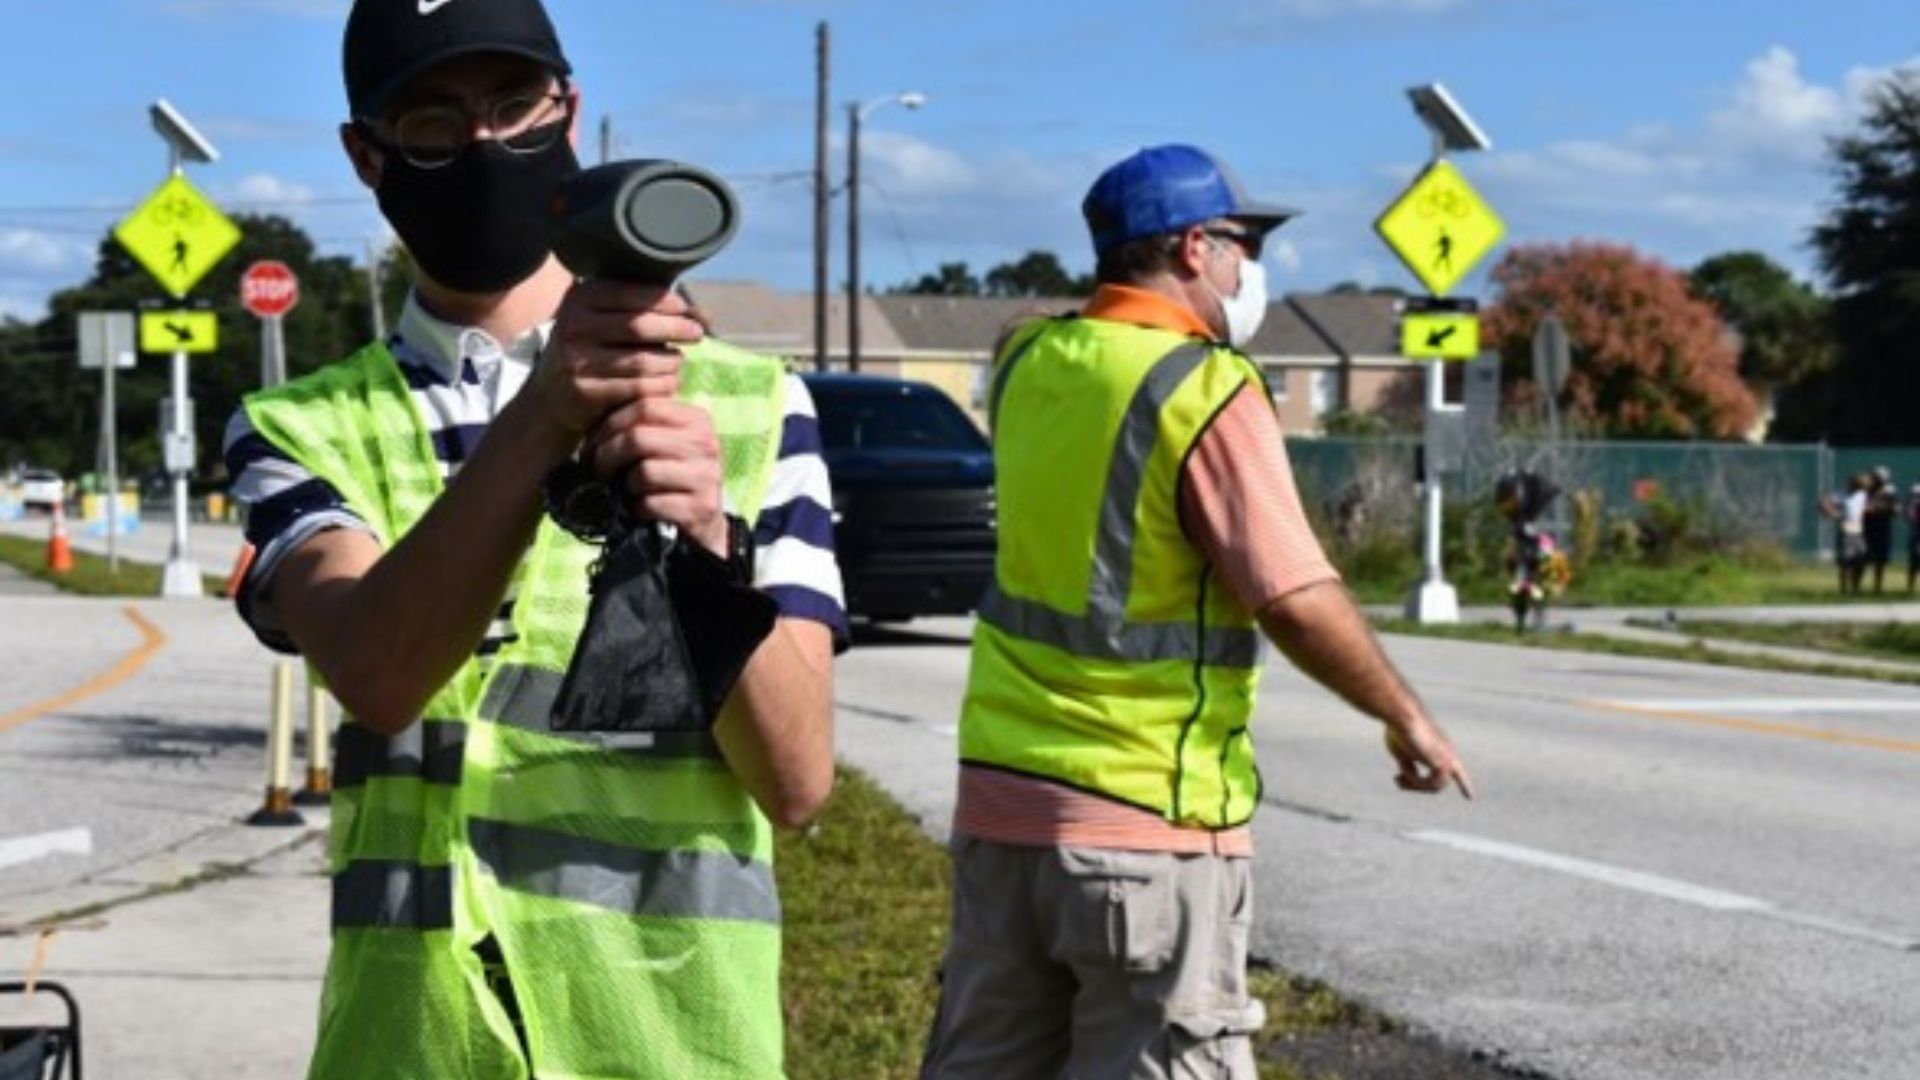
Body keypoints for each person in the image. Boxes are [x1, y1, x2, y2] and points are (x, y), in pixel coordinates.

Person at [220, 2, 843, 1077]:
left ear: (570, 111)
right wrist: (544, 418)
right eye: (431, 124)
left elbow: (796, 781)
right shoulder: (297, 425)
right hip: (413, 1042)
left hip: (672, 1040)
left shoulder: (753, 403)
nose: (482, 146)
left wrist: (703, 545)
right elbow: (379, 671)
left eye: (515, 106)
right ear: (366, 156)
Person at [919, 145, 1473, 1080]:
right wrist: (1402, 711)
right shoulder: (1206, 387)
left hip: (1002, 814)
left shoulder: (1025, 363)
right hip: (1145, 822)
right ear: (1189, 248)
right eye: (1239, 244)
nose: (1248, 269)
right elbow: (1294, 596)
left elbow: (1029, 319)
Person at [1863, 466, 1897, 595]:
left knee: (1880, 560)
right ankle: (1856, 586)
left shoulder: (1890, 493)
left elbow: (1894, 509)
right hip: (1869, 528)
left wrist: (1879, 508)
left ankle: (1878, 587)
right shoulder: (1867, 493)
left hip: (1883, 528)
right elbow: (1865, 508)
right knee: (1863, 558)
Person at [1906, 482, 1920, 595]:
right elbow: (1909, 512)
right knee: (1914, 560)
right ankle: (1910, 587)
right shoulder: (1916, 489)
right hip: (1917, 531)